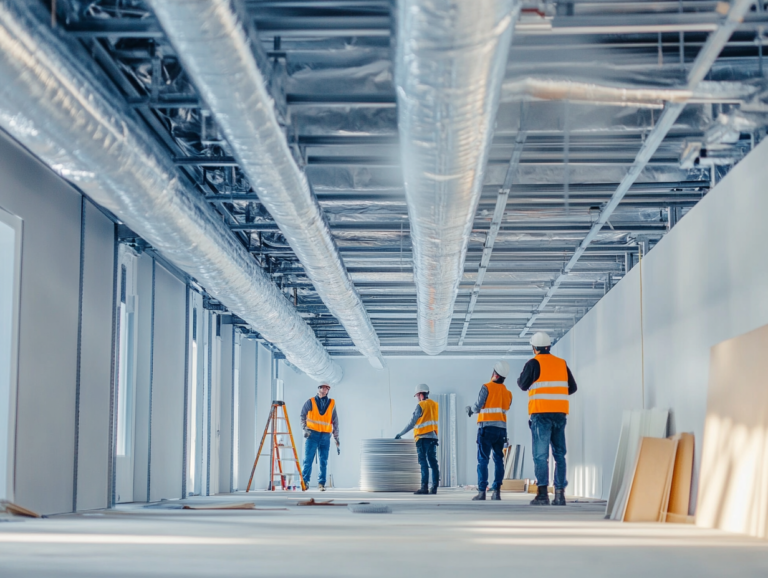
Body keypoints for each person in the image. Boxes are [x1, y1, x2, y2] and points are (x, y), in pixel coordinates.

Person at [516, 332, 578, 506]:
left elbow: (522, 385)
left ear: (534, 348)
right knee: (560, 454)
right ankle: (559, 495)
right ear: (549, 347)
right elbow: (572, 388)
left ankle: (542, 494)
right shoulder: (561, 363)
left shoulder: (533, 363)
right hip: (559, 414)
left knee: (540, 455)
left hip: (541, 414)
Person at [466, 361, 513, 501]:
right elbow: (506, 407)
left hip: (486, 429)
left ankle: (482, 492)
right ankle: (497, 491)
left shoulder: (486, 387)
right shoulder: (508, 393)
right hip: (501, 430)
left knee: (483, 460)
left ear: (494, 373)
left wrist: (470, 410)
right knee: (498, 460)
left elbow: (478, 406)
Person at [395, 384, 440, 495]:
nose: (416, 398)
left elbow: (412, 422)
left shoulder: (421, 405)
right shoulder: (435, 405)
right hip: (433, 438)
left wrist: (400, 433)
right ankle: (434, 488)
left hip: (422, 439)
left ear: (420, 394)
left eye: (416, 396)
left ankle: (424, 487)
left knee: (423, 463)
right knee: (433, 463)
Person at [300, 383, 339, 491]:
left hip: (325, 436)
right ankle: (305, 482)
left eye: (326, 388)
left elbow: (335, 421)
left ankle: (321, 483)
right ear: (318, 389)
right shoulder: (310, 402)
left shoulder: (332, 403)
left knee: (323, 461)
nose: (323, 389)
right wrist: (305, 428)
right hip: (312, 435)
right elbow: (302, 416)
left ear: (328, 390)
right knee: (307, 460)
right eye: (321, 387)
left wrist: (336, 437)